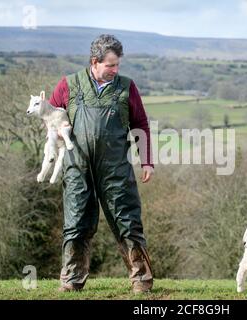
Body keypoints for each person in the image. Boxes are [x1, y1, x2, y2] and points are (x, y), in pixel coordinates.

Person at [48, 34, 154, 293]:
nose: (115, 70)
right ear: (94, 62)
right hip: (77, 166)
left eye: (118, 65)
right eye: (110, 65)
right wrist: (56, 128)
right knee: (76, 222)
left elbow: (140, 124)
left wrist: (147, 161)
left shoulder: (126, 87)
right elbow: (49, 117)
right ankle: (72, 280)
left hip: (115, 168)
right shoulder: (68, 85)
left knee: (127, 221)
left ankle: (141, 279)